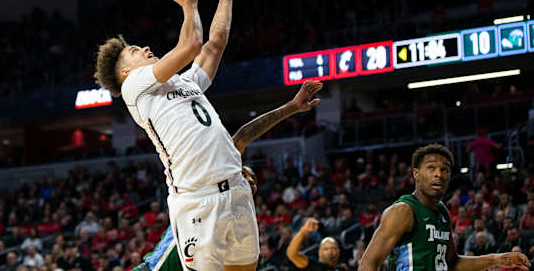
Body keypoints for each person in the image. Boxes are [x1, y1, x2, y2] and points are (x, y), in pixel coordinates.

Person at [96, 0, 315, 270]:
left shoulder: (184, 82)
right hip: (197, 201)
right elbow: (191, 44)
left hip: (236, 189)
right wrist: (189, 5)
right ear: (127, 71)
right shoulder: (135, 89)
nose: (144, 47)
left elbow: (214, 45)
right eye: (134, 51)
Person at [132, 80, 325, 271]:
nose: (251, 180)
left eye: (253, 182)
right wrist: (291, 108)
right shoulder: (215, 176)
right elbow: (243, 136)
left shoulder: (236, 219)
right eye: (247, 175)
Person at [358, 144, 530, 271]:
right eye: (431, 168)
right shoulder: (403, 211)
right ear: (416, 174)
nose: (438, 174)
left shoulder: (442, 212)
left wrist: (497, 259)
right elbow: (368, 264)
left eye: (444, 169)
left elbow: (452, 263)